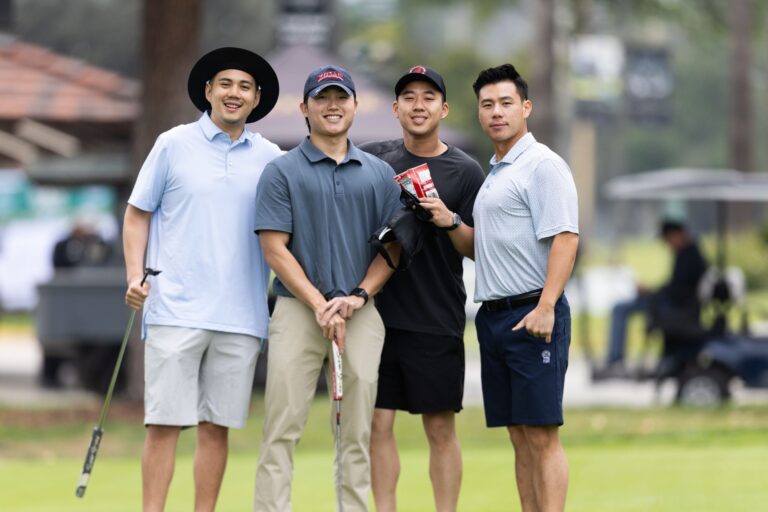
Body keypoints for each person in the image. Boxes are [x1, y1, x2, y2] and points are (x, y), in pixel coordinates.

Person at [122, 47, 282, 512]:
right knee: (164, 424)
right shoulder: (172, 144)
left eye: (245, 87)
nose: (234, 93)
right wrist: (135, 275)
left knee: (217, 428)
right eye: (226, 84)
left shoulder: (272, 158)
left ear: (256, 100)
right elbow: (137, 216)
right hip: (174, 308)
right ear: (208, 91)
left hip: (242, 315)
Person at [253, 65, 402, 512]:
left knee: (356, 433)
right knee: (281, 429)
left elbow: (392, 249)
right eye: (322, 98)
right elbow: (274, 248)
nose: (332, 106)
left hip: (360, 313)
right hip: (300, 311)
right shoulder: (281, 172)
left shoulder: (378, 174)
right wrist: (320, 305)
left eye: (341, 97)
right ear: (305, 108)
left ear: (355, 105)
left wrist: (356, 297)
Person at [359, 66, 485, 512]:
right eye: (408, 97)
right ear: (395, 109)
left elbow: (476, 248)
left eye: (428, 97)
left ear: (443, 109)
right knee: (377, 423)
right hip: (376, 315)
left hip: (437, 316)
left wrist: (447, 218)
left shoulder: (466, 171)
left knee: (440, 428)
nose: (418, 104)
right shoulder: (373, 161)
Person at [471, 64, 579, 512]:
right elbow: (488, 248)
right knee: (518, 437)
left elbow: (566, 236)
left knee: (540, 435)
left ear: (526, 107)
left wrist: (546, 306)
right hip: (495, 319)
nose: (497, 112)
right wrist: (448, 221)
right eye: (488, 104)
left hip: (533, 315)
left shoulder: (542, 165)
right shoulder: (495, 171)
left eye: (506, 103)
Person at [602, 220, 708, 372]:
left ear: (677, 235)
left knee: (620, 308)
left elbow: (678, 290)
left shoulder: (690, 256)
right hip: (672, 302)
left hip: (675, 306)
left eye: (668, 239)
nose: (667, 244)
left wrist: (652, 292)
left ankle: (615, 359)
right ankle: (616, 358)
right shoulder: (687, 254)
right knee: (623, 306)